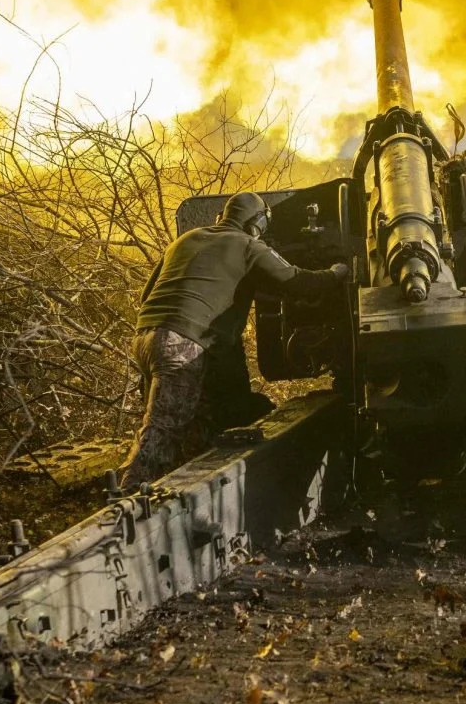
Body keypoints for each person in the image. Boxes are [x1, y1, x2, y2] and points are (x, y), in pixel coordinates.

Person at [121, 191, 351, 486]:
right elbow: (296, 282)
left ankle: (172, 487)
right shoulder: (247, 245)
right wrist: (335, 273)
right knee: (164, 428)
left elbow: (146, 294)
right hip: (182, 344)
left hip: (146, 337)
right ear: (257, 224)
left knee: (196, 421)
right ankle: (127, 495)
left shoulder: (186, 239)